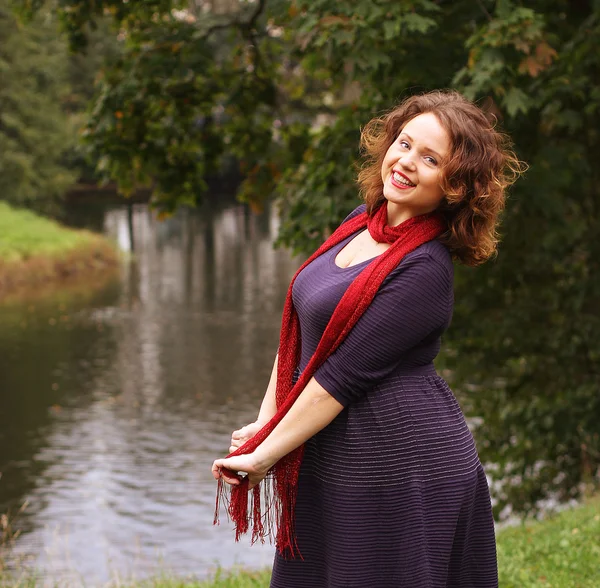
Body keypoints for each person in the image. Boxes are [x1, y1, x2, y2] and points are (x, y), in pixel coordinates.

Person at [211, 89, 523, 588]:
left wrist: (265, 457)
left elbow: (338, 376)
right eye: (404, 143)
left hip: (399, 468)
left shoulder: (426, 269)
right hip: (333, 454)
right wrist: (265, 424)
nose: (405, 162)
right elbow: (298, 326)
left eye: (430, 159)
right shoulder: (359, 224)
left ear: (456, 185)